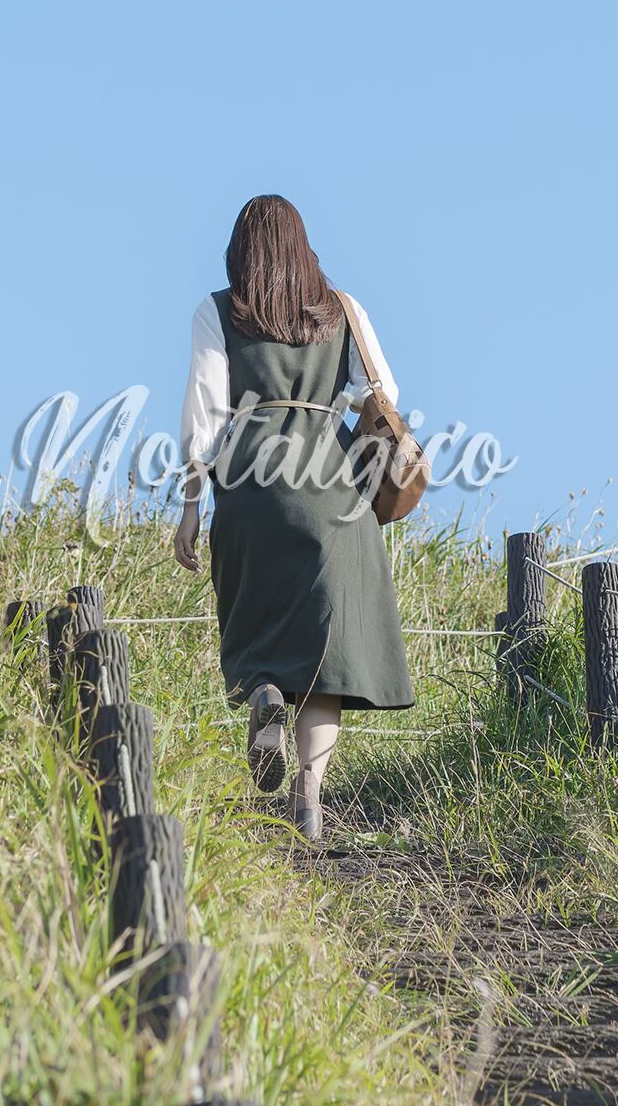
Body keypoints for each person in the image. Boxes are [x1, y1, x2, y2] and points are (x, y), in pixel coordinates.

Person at [174, 194, 414, 842]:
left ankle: (264, 694)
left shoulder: (219, 310)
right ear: (303, 248)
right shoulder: (342, 309)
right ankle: (309, 800)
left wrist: (191, 505)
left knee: (259, 626)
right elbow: (382, 392)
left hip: (251, 484)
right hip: (333, 488)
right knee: (326, 658)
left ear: (240, 250)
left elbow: (204, 414)